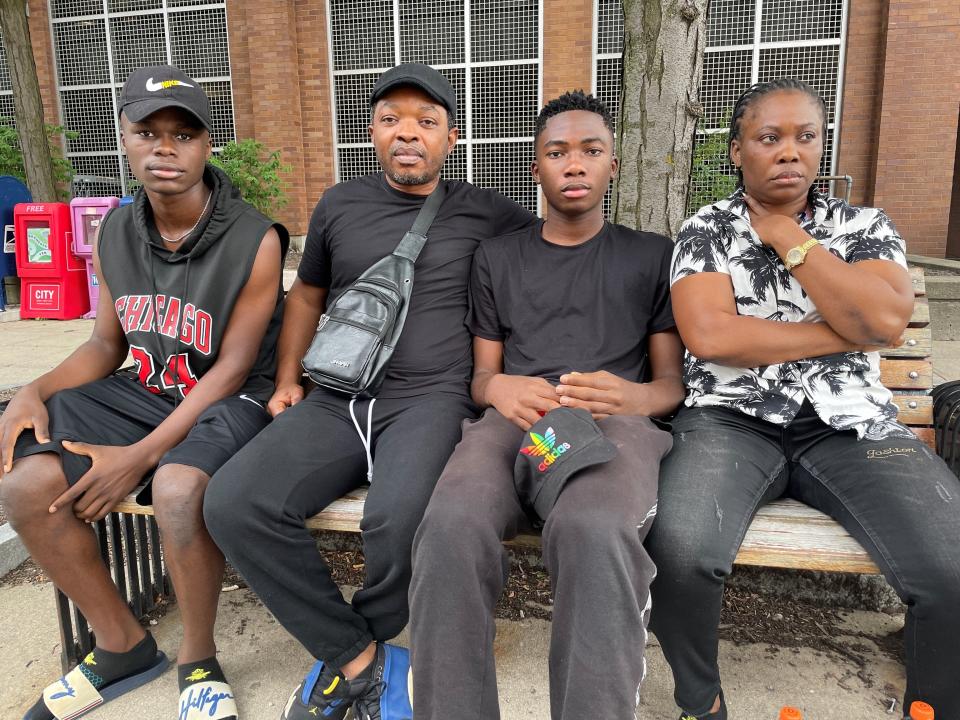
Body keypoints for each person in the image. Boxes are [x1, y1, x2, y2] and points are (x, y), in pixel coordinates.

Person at [201, 63, 534, 720]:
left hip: (432, 400)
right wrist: (289, 378)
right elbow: (308, 296)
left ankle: (351, 653)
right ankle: (362, 660)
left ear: (452, 137)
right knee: (234, 502)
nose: (407, 133)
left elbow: (555, 260)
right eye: (390, 120)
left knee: (400, 519)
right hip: (335, 397)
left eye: (426, 122)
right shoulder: (338, 204)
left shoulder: (490, 213)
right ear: (373, 134)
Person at [646, 78, 960, 720]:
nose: (789, 152)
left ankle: (931, 708)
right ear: (737, 150)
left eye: (805, 137)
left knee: (952, 567)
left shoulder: (865, 226)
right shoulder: (707, 228)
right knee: (679, 553)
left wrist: (789, 240)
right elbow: (711, 336)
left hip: (850, 425)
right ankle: (700, 702)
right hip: (728, 422)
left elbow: (886, 319)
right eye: (769, 138)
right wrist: (845, 328)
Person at [0, 65, 288, 720]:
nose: (165, 147)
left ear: (207, 145)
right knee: (22, 478)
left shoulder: (255, 239)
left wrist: (143, 456)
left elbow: (232, 370)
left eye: (182, 134)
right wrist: (34, 391)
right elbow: (108, 346)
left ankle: (197, 657)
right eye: (147, 131)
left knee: (179, 489)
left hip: (231, 399)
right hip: (147, 388)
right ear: (124, 139)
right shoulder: (113, 234)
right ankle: (121, 643)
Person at [408, 90, 684, 720]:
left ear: (614, 164)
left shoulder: (648, 255)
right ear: (535, 165)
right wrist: (498, 387)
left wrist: (632, 394)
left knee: (592, 530)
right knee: (450, 527)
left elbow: (670, 386)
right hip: (518, 422)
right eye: (557, 152)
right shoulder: (499, 256)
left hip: (614, 423)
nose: (575, 164)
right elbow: (483, 376)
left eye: (591, 151)